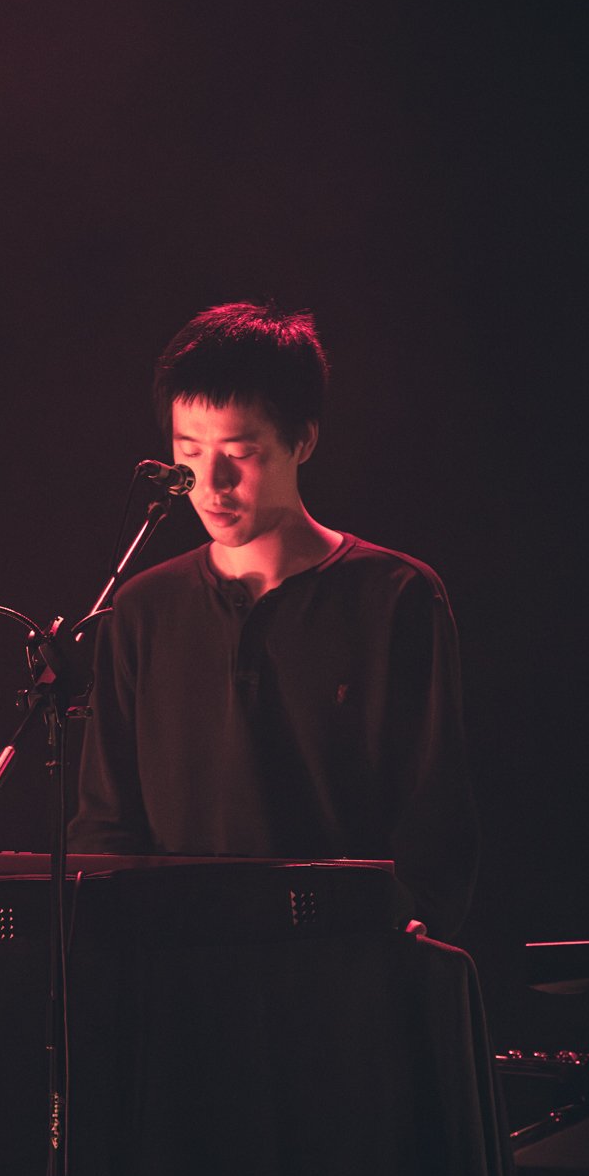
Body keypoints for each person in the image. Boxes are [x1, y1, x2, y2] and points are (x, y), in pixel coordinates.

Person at [69, 302, 478, 938]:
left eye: (240, 452)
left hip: (343, 957)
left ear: (303, 440)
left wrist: (413, 926)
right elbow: (106, 819)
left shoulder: (396, 596)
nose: (211, 482)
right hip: (179, 960)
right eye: (189, 451)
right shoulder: (142, 608)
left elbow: (435, 810)